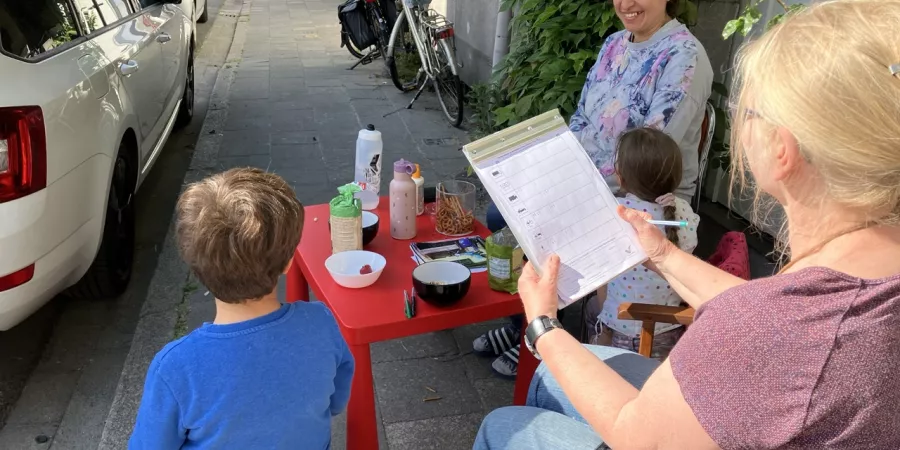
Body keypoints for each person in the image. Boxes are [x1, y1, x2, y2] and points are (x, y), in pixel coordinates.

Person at [474, 0, 900, 448]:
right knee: (548, 379)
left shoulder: (777, 325)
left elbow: (641, 437)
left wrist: (544, 325)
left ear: (782, 149)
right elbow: (756, 312)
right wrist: (663, 254)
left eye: (748, 112)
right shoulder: (851, 282)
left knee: (501, 425)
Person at [476, 0, 713, 378]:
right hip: (588, 178)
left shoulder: (685, 56)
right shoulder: (615, 43)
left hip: (639, 193)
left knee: (532, 226)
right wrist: (557, 166)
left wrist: (576, 188)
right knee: (502, 211)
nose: (626, 4)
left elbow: (648, 153)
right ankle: (522, 322)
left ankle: (538, 334)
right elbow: (582, 117)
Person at [129, 168, 354, 449]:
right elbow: (336, 402)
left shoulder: (175, 368)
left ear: (197, 268)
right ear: (288, 263)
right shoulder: (321, 323)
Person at [587, 128, 700, 359]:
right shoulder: (683, 211)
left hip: (623, 326)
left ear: (620, 176)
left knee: (593, 307)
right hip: (669, 327)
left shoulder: (617, 213)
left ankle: (598, 343)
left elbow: (600, 272)